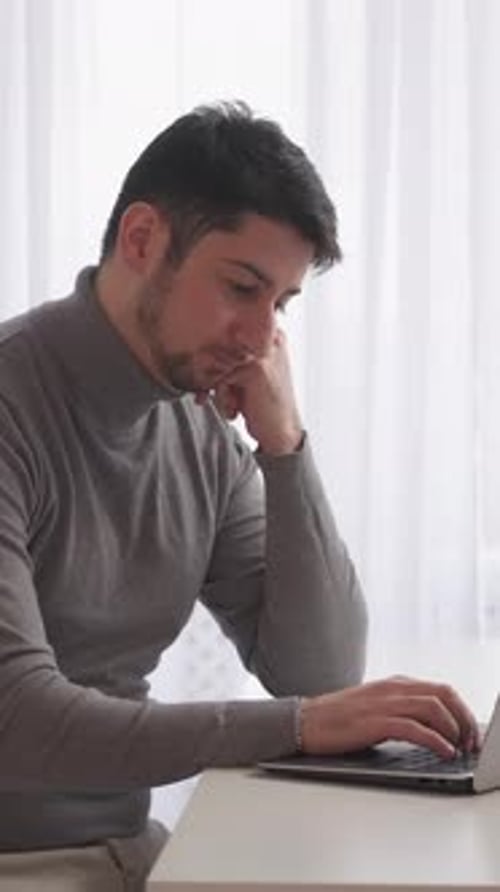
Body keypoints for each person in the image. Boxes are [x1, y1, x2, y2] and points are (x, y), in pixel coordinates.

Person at [0, 101, 478, 890]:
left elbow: (317, 668)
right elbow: (15, 720)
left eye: (281, 305)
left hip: (127, 853)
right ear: (143, 239)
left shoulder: (196, 427)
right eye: (241, 288)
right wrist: (297, 729)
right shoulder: (14, 402)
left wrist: (285, 448)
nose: (260, 338)